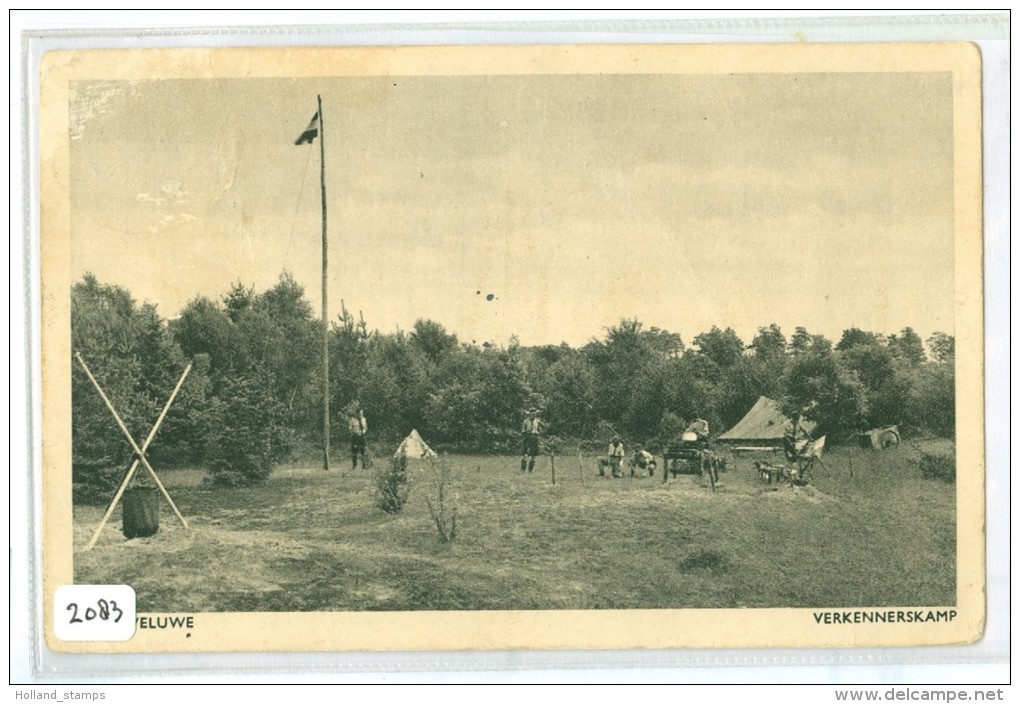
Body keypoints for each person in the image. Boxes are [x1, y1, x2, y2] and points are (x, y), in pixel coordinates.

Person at [520, 408, 542, 473]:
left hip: (534, 437)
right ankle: (523, 469)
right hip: (528, 437)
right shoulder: (526, 421)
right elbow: (523, 430)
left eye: (534, 414)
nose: (533, 415)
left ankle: (531, 470)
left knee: (533, 454)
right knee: (525, 454)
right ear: (529, 414)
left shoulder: (537, 421)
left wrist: (538, 433)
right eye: (532, 414)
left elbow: (539, 430)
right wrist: (526, 434)